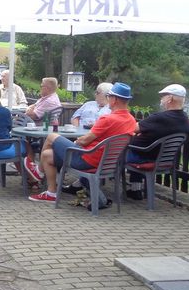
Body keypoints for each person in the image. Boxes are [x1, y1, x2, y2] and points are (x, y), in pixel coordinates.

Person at [28, 82, 137, 210]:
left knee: (52, 136)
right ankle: (51, 193)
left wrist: (77, 141)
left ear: (115, 99)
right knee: (47, 155)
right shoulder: (131, 120)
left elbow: (85, 141)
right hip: (108, 162)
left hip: (87, 160)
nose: (108, 100)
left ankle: (38, 172)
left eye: (109, 97)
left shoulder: (107, 119)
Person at [124, 84, 189, 200]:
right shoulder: (185, 120)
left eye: (163, 96)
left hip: (145, 157)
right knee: (135, 149)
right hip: (166, 159)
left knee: (118, 153)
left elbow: (131, 128)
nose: (161, 99)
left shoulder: (159, 118)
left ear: (170, 99)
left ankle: (111, 190)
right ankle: (135, 190)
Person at [22, 77, 63, 180]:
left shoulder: (50, 101)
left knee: (20, 141)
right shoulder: (45, 98)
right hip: (36, 128)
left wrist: (29, 109)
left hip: (39, 130)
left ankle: (32, 177)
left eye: (41, 86)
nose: (39, 87)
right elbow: (33, 106)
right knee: (20, 140)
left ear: (47, 88)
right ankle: (31, 173)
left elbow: (33, 115)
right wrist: (30, 108)